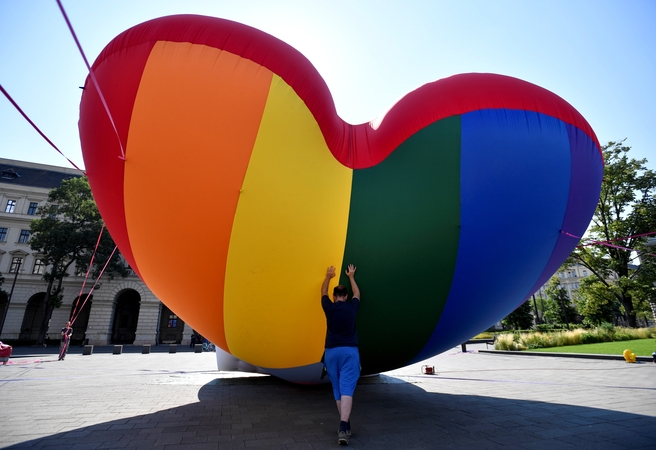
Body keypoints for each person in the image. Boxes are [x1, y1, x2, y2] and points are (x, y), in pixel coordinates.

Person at [321, 264, 361, 446]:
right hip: (349, 352)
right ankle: (343, 426)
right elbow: (357, 294)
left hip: (331, 353)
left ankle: (345, 425)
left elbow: (322, 292)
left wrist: (328, 276)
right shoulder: (352, 307)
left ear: (334, 297)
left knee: (337, 389)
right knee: (347, 389)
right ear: (345, 297)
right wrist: (351, 276)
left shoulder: (328, 308)